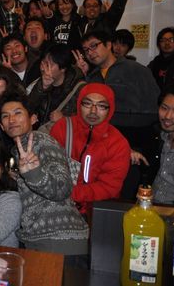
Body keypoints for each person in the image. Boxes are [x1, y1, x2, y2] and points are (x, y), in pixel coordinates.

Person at [0, 93, 89, 257]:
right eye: (5, 116)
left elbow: (63, 188)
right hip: (42, 239)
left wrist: (33, 174)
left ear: (32, 119)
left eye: (18, 113)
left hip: (58, 240)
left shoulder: (41, 141)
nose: (11, 120)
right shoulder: (18, 151)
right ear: (2, 126)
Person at [49, 83, 131, 217]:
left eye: (101, 106)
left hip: (95, 210)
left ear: (110, 109)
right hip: (59, 205)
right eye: (87, 104)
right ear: (79, 104)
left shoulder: (117, 143)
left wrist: (72, 193)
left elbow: (109, 187)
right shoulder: (63, 128)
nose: (93, 111)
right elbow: (49, 167)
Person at [77, 30, 160, 125]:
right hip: (100, 131)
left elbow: (154, 107)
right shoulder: (92, 76)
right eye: (86, 50)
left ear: (108, 45)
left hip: (132, 130)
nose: (90, 53)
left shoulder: (136, 70)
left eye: (93, 46)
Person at [26, 44, 86, 131]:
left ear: (63, 68)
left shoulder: (79, 88)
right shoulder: (40, 83)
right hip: (43, 135)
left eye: (48, 65)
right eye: (42, 63)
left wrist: (65, 120)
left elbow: (86, 122)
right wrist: (42, 88)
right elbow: (28, 108)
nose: (43, 68)